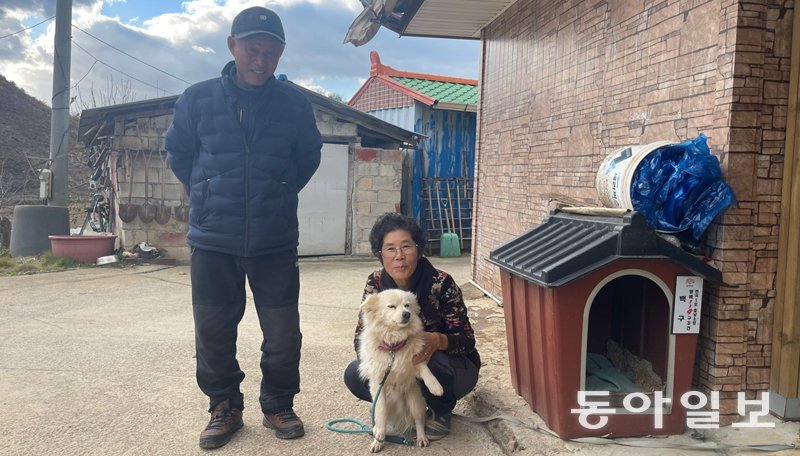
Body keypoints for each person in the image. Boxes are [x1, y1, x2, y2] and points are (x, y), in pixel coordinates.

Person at [165, 6, 322, 450]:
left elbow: (308, 156)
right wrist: (208, 192)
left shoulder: (294, 104)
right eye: (252, 49)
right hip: (214, 240)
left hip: (274, 241)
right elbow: (178, 153)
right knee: (213, 329)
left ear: (281, 53)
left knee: (283, 330)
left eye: (270, 52)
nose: (261, 60)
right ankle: (223, 406)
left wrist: (281, 187)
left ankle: (277, 402)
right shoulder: (197, 99)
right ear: (233, 46)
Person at [343, 212, 481, 440]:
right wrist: (385, 358)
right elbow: (361, 337)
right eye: (390, 249)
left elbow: (466, 340)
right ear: (380, 255)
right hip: (398, 367)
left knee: (430, 359)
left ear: (418, 249)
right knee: (355, 374)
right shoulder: (375, 284)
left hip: (451, 367)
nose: (399, 256)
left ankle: (441, 411)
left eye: (406, 246)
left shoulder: (441, 283)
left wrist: (439, 340)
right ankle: (402, 413)